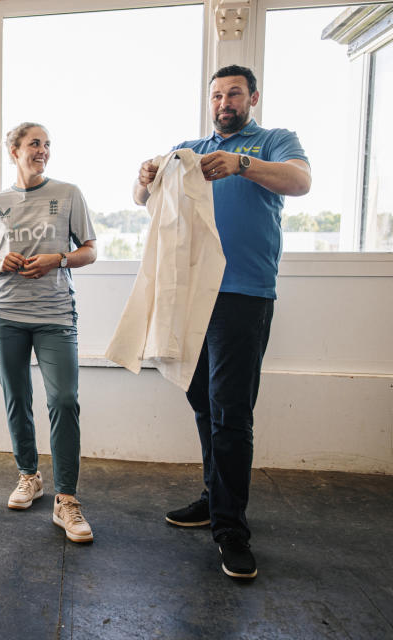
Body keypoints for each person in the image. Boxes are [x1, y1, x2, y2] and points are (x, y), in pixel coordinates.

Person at [132, 65, 311, 580]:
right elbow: (144, 201)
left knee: (231, 410)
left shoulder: (273, 141)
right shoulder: (189, 147)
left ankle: (231, 527)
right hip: (190, 294)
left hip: (243, 294)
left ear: (253, 97)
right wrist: (143, 179)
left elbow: (300, 181)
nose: (224, 101)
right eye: (216, 94)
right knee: (202, 401)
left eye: (234, 93)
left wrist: (241, 163)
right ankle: (215, 498)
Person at [0, 123, 97, 542]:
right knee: (17, 399)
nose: (42, 150)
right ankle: (29, 476)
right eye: (34, 144)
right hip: (5, 312)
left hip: (55, 313)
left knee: (64, 400)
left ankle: (67, 500)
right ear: (14, 150)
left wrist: (58, 259)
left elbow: (90, 250)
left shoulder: (68, 194)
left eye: (47, 145)